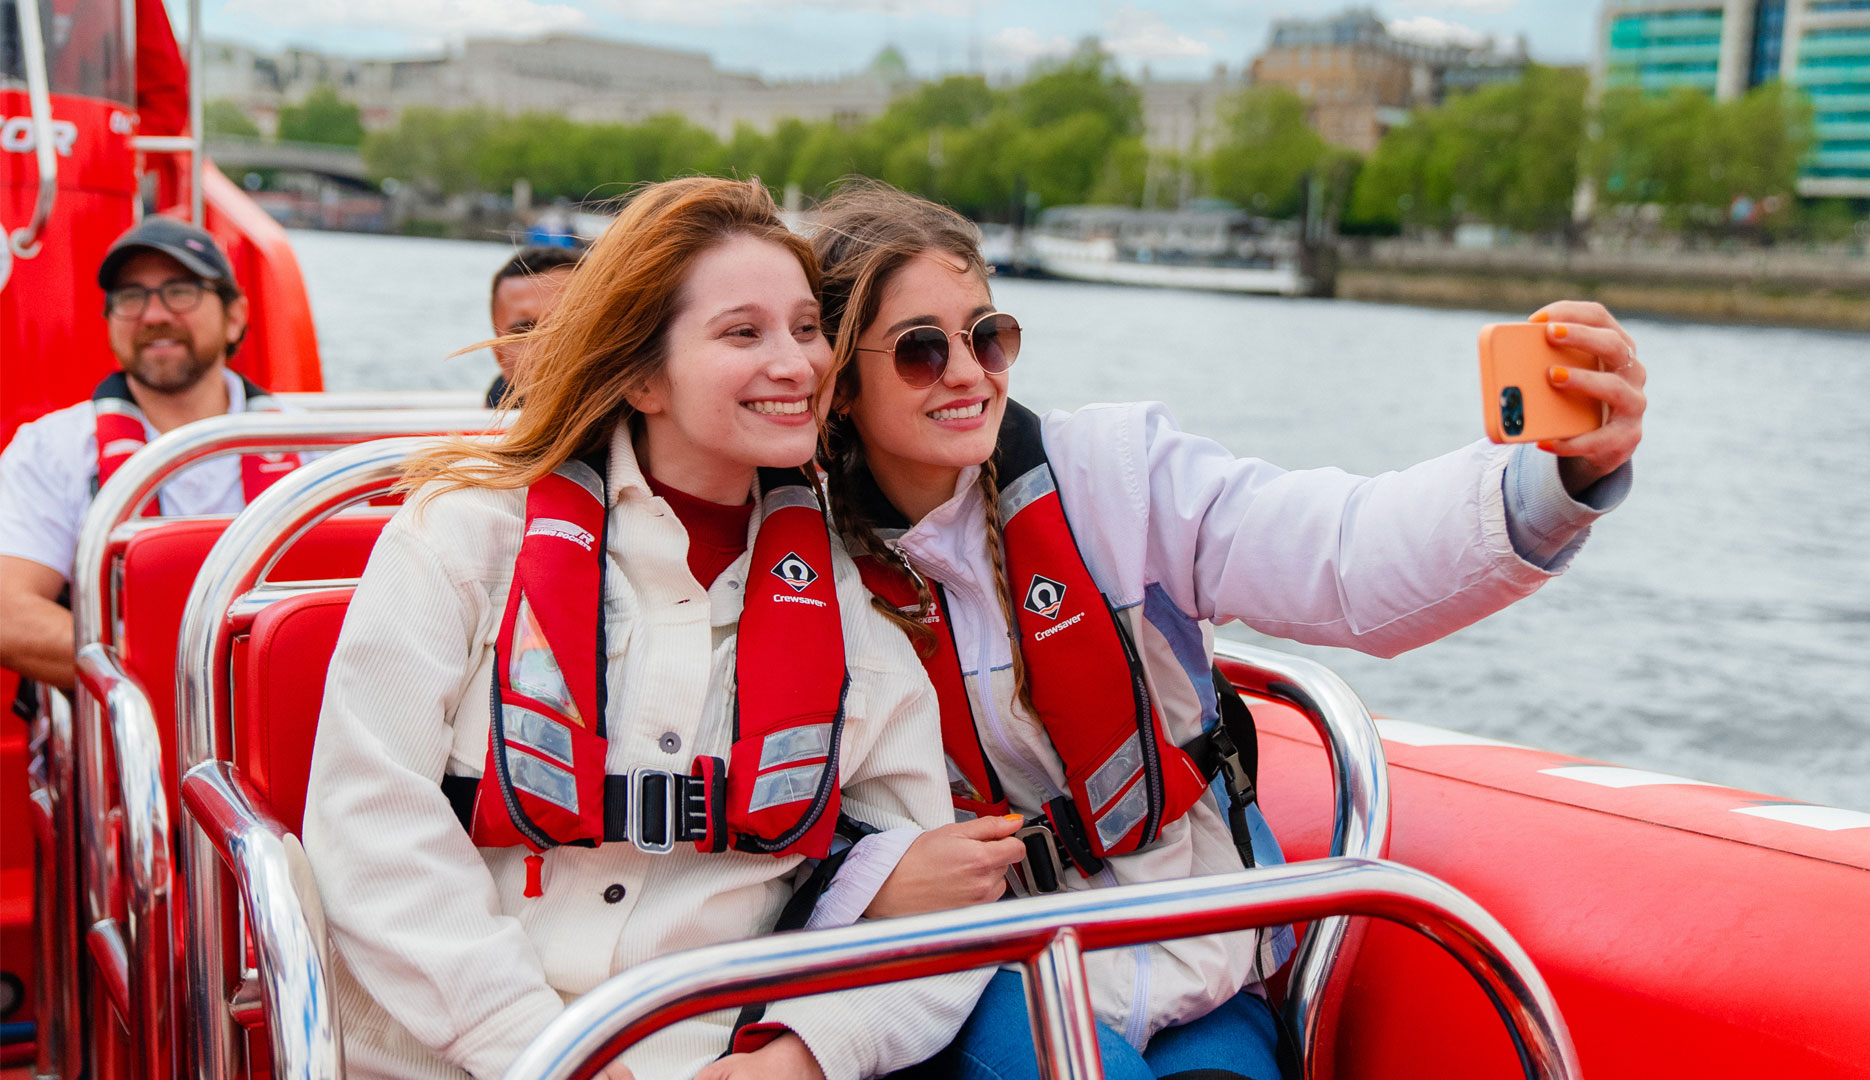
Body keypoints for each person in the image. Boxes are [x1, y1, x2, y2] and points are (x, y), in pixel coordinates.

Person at [810, 181, 1644, 1080]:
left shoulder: (1116, 481)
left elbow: (1343, 552)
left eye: (987, 336)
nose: (970, 373)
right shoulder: (800, 571)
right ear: (841, 384)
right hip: (983, 976)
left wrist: (1550, 484)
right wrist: (879, 880)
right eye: (922, 352)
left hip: (1201, 956)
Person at [301, 178, 985, 1080]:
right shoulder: (466, 540)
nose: (799, 364)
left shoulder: (850, 619)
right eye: (744, 333)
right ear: (641, 375)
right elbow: (368, 826)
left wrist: (799, 1060)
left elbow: (940, 920)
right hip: (436, 1056)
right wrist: (545, 1054)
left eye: (806, 329)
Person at [0, 215, 292, 692]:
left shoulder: (312, 449)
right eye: (130, 297)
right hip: (125, 750)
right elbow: (8, 614)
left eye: (181, 291)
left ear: (235, 315)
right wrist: (187, 676)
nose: (153, 314)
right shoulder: (51, 449)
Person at [485, 245, 583, 408]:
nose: (547, 346)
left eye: (566, 324)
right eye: (525, 332)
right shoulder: (487, 417)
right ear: (500, 356)